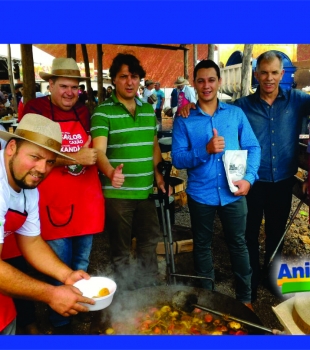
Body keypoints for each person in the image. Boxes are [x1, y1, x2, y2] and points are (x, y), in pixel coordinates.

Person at [21, 57, 105, 331]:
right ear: (51, 84)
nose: (70, 92)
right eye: (64, 86)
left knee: (80, 265)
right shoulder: (35, 110)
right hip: (52, 204)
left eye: (74, 87)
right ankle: (60, 324)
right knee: (59, 268)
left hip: (85, 203)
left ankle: (76, 310)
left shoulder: (84, 112)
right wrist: (72, 157)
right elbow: (29, 155)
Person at [171, 59, 261, 309]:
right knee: (202, 246)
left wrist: (249, 179)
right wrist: (205, 150)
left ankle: (245, 299)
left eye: (211, 80)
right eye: (201, 80)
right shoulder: (184, 119)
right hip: (201, 194)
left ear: (219, 82)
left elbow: (253, 146)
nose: (206, 85)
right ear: (194, 84)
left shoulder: (235, 114)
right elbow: (178, 158)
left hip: (234, 193)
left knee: (238, 244)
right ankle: (207, 297)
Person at [0, 113, 95, 335]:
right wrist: (51, 294)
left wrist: (66, 275)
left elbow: (31, 241)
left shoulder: (27, 186)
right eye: (35, 157)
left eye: (50, 161)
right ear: (12, 147)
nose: (42, 169)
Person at [233, 50, 310, 301]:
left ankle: (272, 277)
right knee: (250, 233)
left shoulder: (297, 100)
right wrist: (190, 106)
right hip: (253, 182)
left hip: (283, 182)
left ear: (282, 74)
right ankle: (251, 281)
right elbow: (214, 112)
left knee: (277, 232)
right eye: (264, 72)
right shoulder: (242, 106)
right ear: (256, 74)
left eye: (274, 73)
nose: (269, 78)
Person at [91, 53, 167, 291]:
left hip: (144, 192)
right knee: (121, 250)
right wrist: (111, 172)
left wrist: (158, 175)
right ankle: (125, 298)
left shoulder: (147, 109)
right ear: (113, 80)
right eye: (123, 76)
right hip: (117, 195)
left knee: (148, 244)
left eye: (134, 76)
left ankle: (149, 292)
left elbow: (152, 144)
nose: (129, 82)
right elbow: (98, 152)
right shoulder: (102, 112)